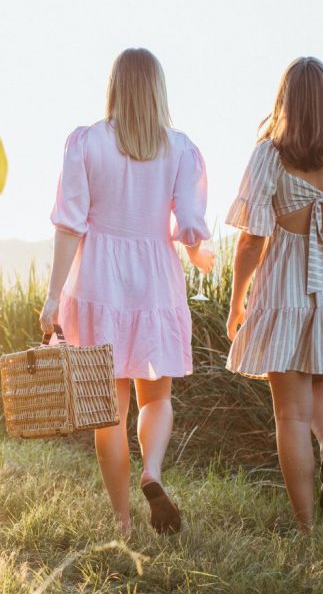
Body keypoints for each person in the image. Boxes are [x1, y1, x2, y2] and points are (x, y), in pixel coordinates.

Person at [40, 48, 214, 536]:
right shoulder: (180, 149)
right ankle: (152, 471)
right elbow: (191, 226)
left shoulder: (87, 143)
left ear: (114, 86)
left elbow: (68, 224)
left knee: (108, 414)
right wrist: (197, 252)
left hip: (98, 279)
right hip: (155, 278)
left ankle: (123, 523)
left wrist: (54, 296)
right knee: (156, 397)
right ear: (158, 89)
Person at [225, 57, 323, 533]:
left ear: (286, 102)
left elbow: (252, 240)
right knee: (315, 375)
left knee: (289, 413)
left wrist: (237, 301)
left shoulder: (269, 155)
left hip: (291, 290)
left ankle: (306, 529)